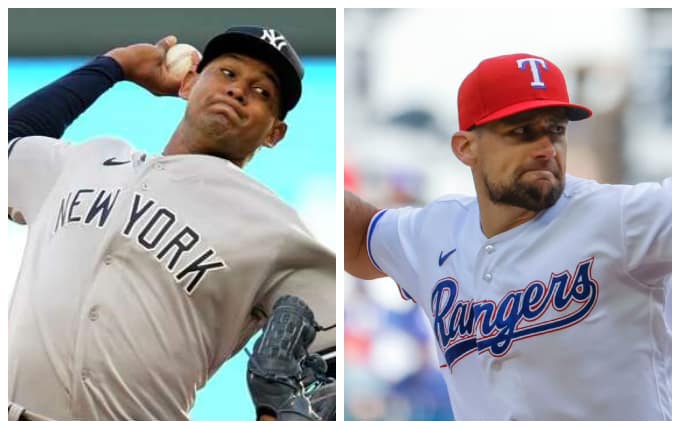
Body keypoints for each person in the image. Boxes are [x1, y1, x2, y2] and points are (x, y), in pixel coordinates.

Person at [8, 26, 336, 421]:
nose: (238, 90)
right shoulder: (87, 160)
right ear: (189, 83)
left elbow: (333, 366)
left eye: (262, 92)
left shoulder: (278, 230)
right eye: (227, 73)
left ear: (274, 133)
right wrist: (116, 65)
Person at [345, 53, 671, 420]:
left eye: (556, 130)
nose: (547, 148)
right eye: (522, 132)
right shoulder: (435, 231)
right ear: (465, 148)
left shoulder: (621, 217)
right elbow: (357, 236)